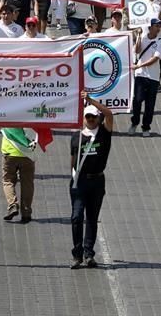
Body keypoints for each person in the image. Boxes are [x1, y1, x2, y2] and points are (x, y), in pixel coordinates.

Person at [69, 94, 114, 269]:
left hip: (97, 181)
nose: (90, 120)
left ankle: (89, 254)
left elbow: (109, 114)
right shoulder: (77, 136)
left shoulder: (104, 133)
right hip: (79, 182)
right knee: (76, 217)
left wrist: (90, 99)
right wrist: (72, 178)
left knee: (92, 218)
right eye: (87, 116)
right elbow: (72, 159)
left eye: (93, 117)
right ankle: (77, 254)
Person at [130, 19, 161, 137]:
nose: (158, 28)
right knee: (138, 100)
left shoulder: (160, 42)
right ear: (150, 28)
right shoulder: (143, 38)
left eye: (159, 26)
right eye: (156, 26)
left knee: (150, 104)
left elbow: (155, 59)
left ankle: (146, 127)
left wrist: (139, 65)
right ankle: (134, 122)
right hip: (140, 74)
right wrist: (139, 35)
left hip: (153, 77)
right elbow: (137, 50)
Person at [0, 127, 37, 223]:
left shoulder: (7, 114)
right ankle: (26, 213)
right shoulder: (31, 114)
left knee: (8, 181)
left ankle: (12, 205)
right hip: (27, 153)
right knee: (27, 184)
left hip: (10, 152)